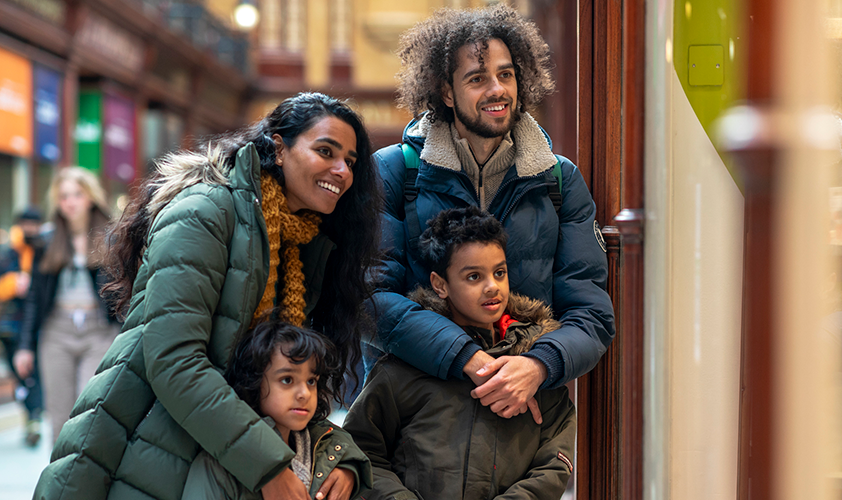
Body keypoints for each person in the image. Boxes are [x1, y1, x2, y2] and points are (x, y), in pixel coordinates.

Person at [33, 92, 383, 500]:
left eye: (351, 162)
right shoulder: (206, 210)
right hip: (147, 448)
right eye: (326, 151)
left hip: (221, 458)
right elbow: (174, 360)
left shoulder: (305, 239)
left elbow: (284, 378)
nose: (341, 170)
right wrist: (267, 466)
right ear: (278, 147)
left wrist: (339, 457)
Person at [368, 4, 614, 424]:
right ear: (446, 92)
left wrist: (538, 365)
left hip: (518, 422)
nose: (497, 90)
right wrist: (466, 357)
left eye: (506, 74)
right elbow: (369, 300)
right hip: (415, 421)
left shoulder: (559, 180)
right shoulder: (394, 171)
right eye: (477, 78)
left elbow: (590, 313)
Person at [346, 207, 576, 499]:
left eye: (499, 272)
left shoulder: (534, 361)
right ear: (440, 284)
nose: (492, 286)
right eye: (473, 277)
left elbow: (555, 460)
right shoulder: (405, 366)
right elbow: (362, 450)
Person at [183, 320, 372, 500]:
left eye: (311, 381)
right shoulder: (218, 467)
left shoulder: (323, 452)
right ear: (253, 382)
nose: (304, 393)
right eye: (287, 380)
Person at [13, 169, 117, 446]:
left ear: (91, 197)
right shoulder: (46, 241)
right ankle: (61, 485)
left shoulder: (112, 238)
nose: (70, 202)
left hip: (99, 332)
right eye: (63, 196)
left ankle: (90, 482)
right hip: (56, 331)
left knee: (91, 408)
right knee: (59, 416)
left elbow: (124, 293)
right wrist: (25, 347)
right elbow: (34, 297)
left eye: (77, 194)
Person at [0, 206, 45, 446]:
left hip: (39, 326)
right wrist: (11, 284)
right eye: (26, 224)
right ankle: (32, 415)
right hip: (10, 326)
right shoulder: (6, 254)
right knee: (20, 374)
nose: (30, 229)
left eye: (34, 224)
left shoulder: (45, 250)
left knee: (33, 374)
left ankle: (34, 418)